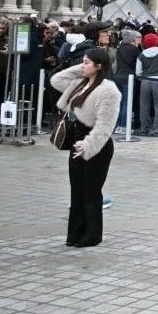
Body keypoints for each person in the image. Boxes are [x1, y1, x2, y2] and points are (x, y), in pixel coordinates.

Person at [50, 48, 121, 248]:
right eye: (82, 61)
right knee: (76, 191)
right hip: (76, 142)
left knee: (91, 190)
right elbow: (56, 80)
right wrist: (82, 69)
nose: (82, 65)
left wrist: (88, 145)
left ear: (99, 66)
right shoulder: (78, 82)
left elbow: (105, 126)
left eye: (87, 62)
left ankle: (92, 235)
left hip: (96, 145)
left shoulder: (109, 90)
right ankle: (75, 233)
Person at [135, 33, 158, 136]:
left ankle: (144, 128)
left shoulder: (141, 54)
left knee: (144, 106)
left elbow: (138, 72)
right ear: (157, 41)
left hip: (145, 81)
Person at [113, 29, 141, 133]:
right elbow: (136, 64)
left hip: (118, 77)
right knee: (127, 103)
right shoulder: (134, 50)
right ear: (133, 39)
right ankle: (125, 126)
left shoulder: (119, 48)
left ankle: (119, 126)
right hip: (128, 78)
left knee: (120, 103)